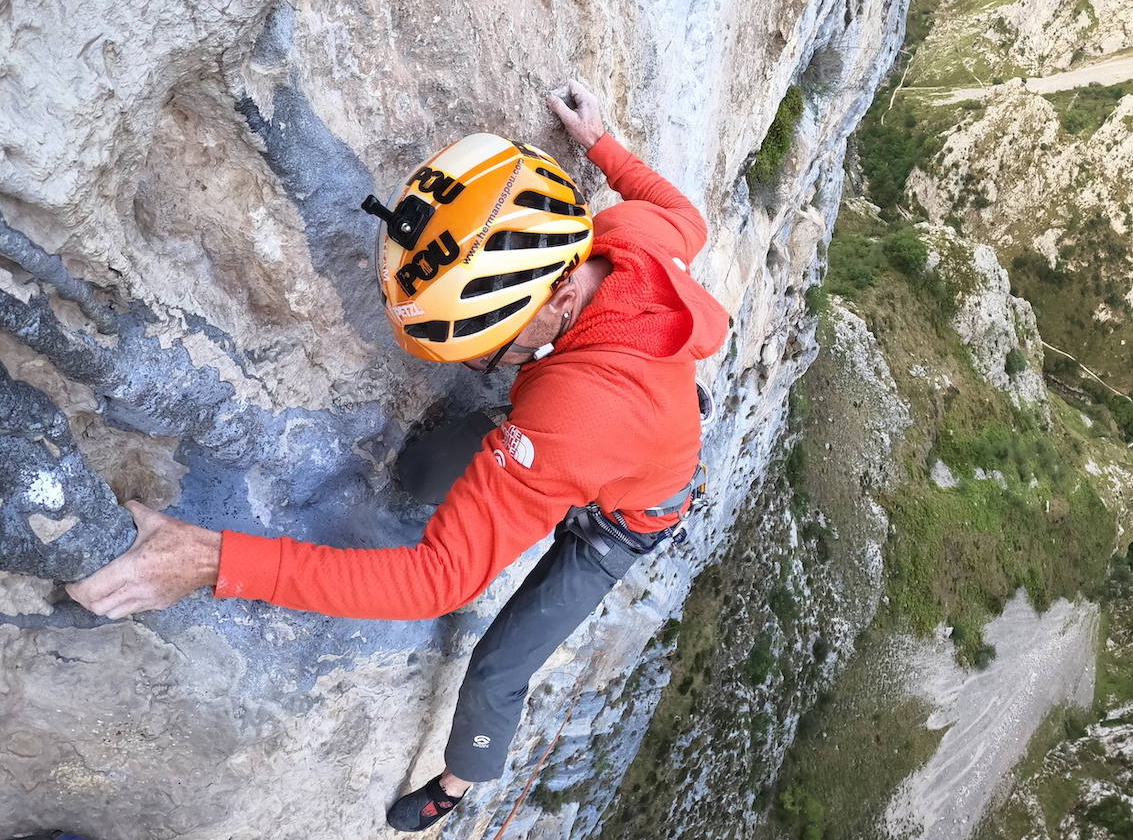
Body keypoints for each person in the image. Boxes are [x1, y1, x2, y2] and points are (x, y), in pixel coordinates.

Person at [66, 80, 730, 832]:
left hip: (625, 516)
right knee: (420, 470)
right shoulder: (626, 236)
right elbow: (686, 219)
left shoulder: (571, 419)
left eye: (488, 346)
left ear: (554, 303)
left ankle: (457, 782)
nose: (485, 362)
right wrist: (601, 142)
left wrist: (212, 558)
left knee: (497, 669)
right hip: (617, 418)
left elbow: (436, 582)